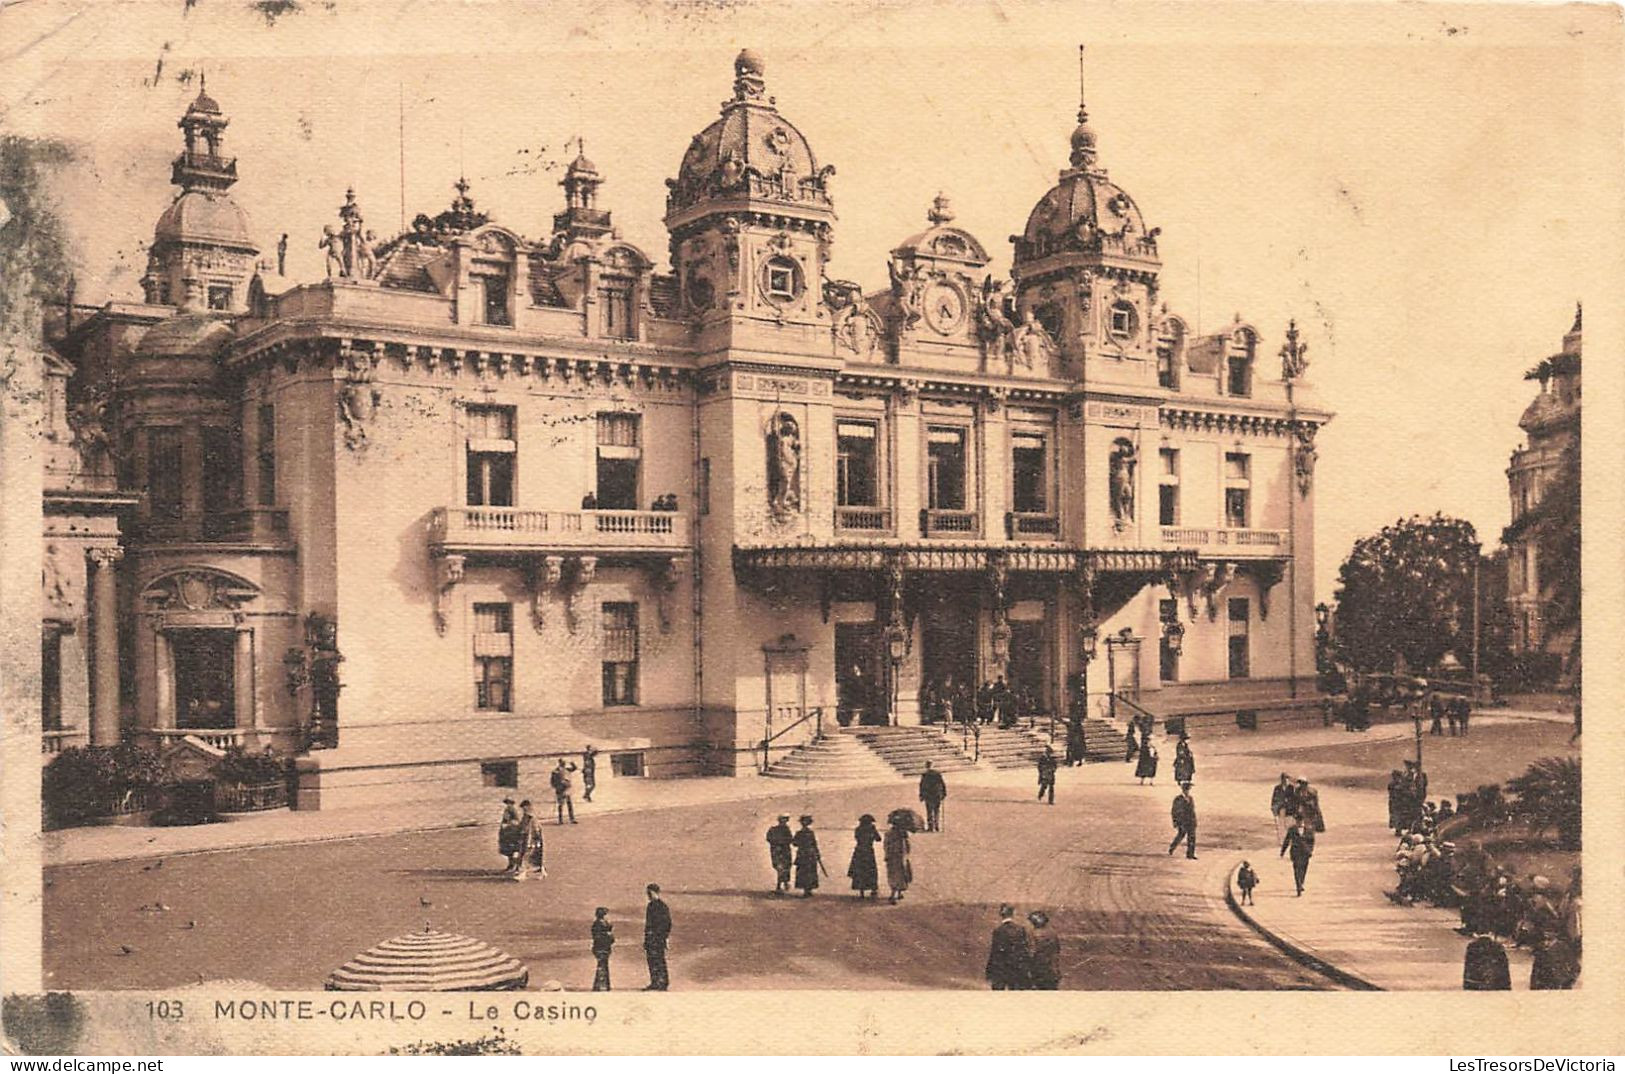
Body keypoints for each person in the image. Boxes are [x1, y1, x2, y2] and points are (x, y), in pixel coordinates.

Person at [985, 904, 1031, 990]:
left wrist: (989, 970)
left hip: (1001, 969)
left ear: (1001, 914)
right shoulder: (1020, 929)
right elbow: (1024, 950)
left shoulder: (998, 931)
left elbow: (995, 952)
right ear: (1012, 914)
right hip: (1016, 968)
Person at [642, 883, 671, 991]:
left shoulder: (662, 906)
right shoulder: (650, 906)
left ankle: (663, 983)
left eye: (649, 893)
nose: (648, 895)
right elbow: (648, 924)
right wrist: (646, 939)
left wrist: (664, 937)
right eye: (647, 893)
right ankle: (655, 982)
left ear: (655, 893)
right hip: (651, 938)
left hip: (658, 938)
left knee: (659, 960)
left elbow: (667, 923)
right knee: (652, 960)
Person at [848, 814, 881, 899]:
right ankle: (873, 890)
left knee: (860, 871)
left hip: (859, 851)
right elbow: (878, 839)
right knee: (870, 870)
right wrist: (873, 831)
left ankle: (861, 892)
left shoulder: (858, 829)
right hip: (868, 852)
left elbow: (857, 838)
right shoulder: (871, 829)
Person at [1281, 816, 1316, 896]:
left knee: (1303, 869)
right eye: (1298, 821)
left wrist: (1310, 850)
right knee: (1296, 870)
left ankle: (1301, 882)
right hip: (1295, 853)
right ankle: (1298, 887)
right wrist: (1282, 852)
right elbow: (1287, 840)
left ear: (1303, 822)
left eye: (1301, 821)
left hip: (1305, 853)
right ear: (1296, 822)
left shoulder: (1309, 830)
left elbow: (1312, 841)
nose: (1299, 823)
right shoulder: (1292, 830)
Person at [1027, 911, 1061, 990]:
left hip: (1038, 970)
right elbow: (1057, 951)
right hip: (1052, 970)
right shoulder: (1053, 933)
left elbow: (1032, 953)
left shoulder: (1033, 934)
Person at [792, 815, 823, 898]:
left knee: (809, 872)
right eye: (803, 822)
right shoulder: (801, 833)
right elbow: (795, 843)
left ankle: (808, 890)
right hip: (805, 854)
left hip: (808, 854)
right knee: (805, 872)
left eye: (806, 822)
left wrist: (817, 854)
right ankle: (807, 891)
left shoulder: (808, 833)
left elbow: (814, 844)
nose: (804, 824)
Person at [512, 800, 543, 882]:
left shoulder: (530, 817)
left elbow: (532, 829)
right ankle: (540, 872)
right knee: (533, 856)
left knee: (526, 856)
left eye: (524, 808)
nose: (523, 810)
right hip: (528, 838)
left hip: (530, 839)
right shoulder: (528, 816)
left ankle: (522, 874)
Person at [883, 816, 911, 904]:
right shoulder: (904, 834)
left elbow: (886, 845)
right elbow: (908, 846)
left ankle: (893, 894)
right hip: (901, 857)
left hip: (892, 857)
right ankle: (897, 894)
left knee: (892, 875)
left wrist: (887, 854)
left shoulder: (888, 833)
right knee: (901, 875)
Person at [766, 814, 794, 894]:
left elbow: (790, 840)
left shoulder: (785, 829)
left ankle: (781, 885)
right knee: (781, 867)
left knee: (783, 867)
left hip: (782, 851)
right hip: (780, 851)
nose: (784, 821)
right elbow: (769, 838)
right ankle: (782, 884)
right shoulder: (774, 829)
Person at [1168, 783, 1197, 859]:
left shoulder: (1190, 798)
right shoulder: (1178, 799)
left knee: (1192, 837)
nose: (1187, 791)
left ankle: (1190, 854)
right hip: (1182, 821)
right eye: (1186, 790)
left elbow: (1193, 811)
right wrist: (1175, 822)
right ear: (1183, 790)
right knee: (1180, 835)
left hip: (1191, 821)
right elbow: (1174, 811)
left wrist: (1195, 821)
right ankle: (1172, 847)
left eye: (1188, 790)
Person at [918, 761, 947, 832]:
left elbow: (922, 786)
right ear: (932, 765)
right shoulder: (938, 774)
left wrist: (921, 795)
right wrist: (944, 793)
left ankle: (931, 827)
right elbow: (943, 784)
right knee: (936, 811)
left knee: (929, 811)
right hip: (937, 794)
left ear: (926, 766)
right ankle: (937, 826)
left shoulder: (925, 775)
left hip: (929, 795)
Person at [591, 907, 614, 992]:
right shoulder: (599, 925)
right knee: (602, 966)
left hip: (602, 948)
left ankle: (601, 985)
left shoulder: (600, 924)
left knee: (602, 966)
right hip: (601, 948)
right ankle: (602, 986)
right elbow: (600, 937)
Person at [498, 797, 521, 875]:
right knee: (509, 850)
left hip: (510, 832)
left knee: (511, 850)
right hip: (508, 832)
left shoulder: (511, 810)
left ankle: (513, 865)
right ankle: (511, 865)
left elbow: (515, 821)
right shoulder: (510, 809)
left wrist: (507, 825)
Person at [550, 760, 577, 825]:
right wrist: (556, 787)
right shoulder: (556, 771)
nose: (564, 764)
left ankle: (571, 818)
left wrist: (573, 763)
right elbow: (552, 781)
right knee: (561, 805)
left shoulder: (566, 769)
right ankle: (561, 819)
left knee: (569, 804)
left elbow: (574, 768)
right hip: (560, 790)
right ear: (560, 763)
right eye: (563, 763)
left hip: (567, 789)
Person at [1271, 773, 1296, 841]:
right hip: (1281, 809)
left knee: (1289, 825)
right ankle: (1282, 840)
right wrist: (1274, 810)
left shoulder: (1291, 788)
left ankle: (1290, 840)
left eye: (1286, 779)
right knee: (1281, 826)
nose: (1285, 781)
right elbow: (1274, 799)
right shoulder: (1277, 788)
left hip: (1289, 810)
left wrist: (1294, 809)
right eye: (1283, 779)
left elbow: (1294, 799)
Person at [1386, 770, 1405, 835]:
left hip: (1396, 802)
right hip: (1396, 802)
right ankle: (1398, 829)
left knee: (1397, 815)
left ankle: (1398, 829)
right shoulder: (1395, 784)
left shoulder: (1395, 784)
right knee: (1396, 815)